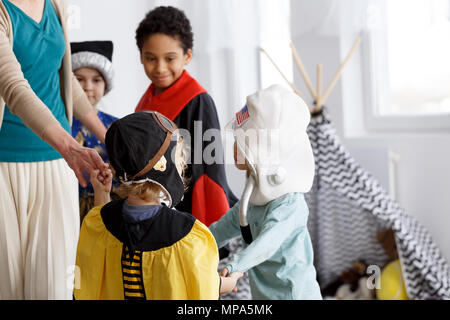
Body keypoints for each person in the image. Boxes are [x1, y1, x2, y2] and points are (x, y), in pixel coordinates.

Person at [0, 0, 108, 299]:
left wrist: (108, 135)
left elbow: (63, 76)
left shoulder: (55, 4)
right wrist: (70, 146)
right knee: (7, 285)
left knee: (55, 285)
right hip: (5, 163)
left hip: (58, 163)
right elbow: (12, 86)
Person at [74, 111, 243, 300]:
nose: (183, 164)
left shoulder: (100, 221)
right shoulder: (186, 234)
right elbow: (204, 283)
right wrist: (230, 281)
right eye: (179, 157)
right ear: (164, 167)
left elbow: (100, 244)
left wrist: (102, 192)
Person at [209, 85, 323, 300]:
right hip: (264, 295)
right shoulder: (254, 197)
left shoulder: (290, 206)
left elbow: (267, 243)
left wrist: (236, 266)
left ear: (264, 152)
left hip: (294, 295)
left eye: (241, 144)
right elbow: (227, 225)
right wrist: (198, 242)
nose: (234, 149)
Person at [134, 6, 237, 228]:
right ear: (141, 56)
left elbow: (210, 167)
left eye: (170, 58)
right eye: (150, 58)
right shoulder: (146, 102)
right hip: (154, 206)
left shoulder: (197, 101)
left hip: (186, 211)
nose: (160, 68)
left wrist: (206, 226)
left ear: (187, 56)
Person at [70, 40, 119, 222]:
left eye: (96, 80)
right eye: (78, 79)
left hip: (107, 203)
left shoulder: (115, 126)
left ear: (106, 85)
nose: (87, 86)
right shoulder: (58, 125)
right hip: (67, 205)